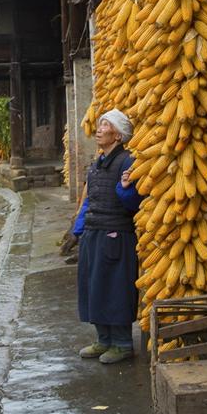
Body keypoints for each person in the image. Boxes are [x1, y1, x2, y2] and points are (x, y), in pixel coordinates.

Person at [73, 109, 142, 364]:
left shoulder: (127, 162)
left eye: (105, 125)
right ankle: (102, 340)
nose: (99, 129)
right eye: (100, 124)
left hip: (116, 235)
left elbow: (135, 203)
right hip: (94, 233)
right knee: (94, 287)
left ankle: (122, 343)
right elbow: (90, 200)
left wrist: (125, 189)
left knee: (115, 288)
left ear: (118, 134)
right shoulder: (97, 164)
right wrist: (78, 230)